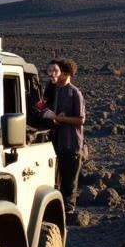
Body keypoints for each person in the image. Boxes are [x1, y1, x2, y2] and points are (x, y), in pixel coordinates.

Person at [41, 58, 86, 216]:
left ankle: (69, 210)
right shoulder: (53, 90)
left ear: (66, 74)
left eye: (58, 72)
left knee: (69, 179)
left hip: (70, 142)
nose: (55, 75)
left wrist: (60, 119)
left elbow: (81, 120)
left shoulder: (74, 93)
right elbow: (43, 105)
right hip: (54, 141)